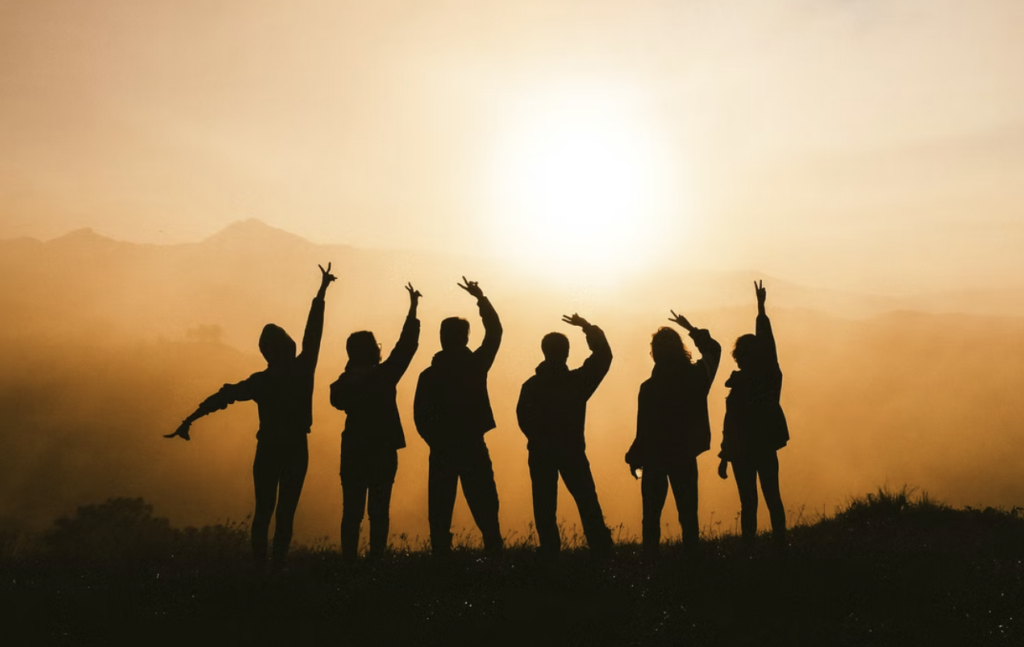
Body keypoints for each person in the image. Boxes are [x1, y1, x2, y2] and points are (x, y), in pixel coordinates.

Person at [165, 263, 336, 570]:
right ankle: (278, 566)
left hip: (269, 448)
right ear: (287, 346)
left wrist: (190, 419)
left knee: (264, 511)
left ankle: (261, 568)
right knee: (284, 512)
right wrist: (321, 293)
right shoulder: (302, 369)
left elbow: (223, 396)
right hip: (295, 447)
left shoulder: (261, 381)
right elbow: (314, 333)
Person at [329, 283, 421, 561]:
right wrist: (413, 310)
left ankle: (349, 561)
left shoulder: (343, 383)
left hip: (354, 449)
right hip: (383, 449)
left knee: (352, 512)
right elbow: (406, 347)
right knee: (379, 510)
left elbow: (337, 401)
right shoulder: (384, 376)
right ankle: (376, 559)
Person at [413, 277, 503, 555]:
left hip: (441, 448)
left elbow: (420, 416)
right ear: (465, 338)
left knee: (440, 506)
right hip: (472, 444)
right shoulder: (475, 365)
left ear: (442, 338)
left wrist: (436, 440)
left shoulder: (430, 375)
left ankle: (441, 555)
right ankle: (494, 551)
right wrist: (481, 298)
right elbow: (495, 332)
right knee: (485, 503)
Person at [516, 314, 613, 559]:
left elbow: (523, 418)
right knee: (586, 499)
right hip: (572, 451)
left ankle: (549, 549)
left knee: (544, 504)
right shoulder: (577, 382)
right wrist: (587, 328)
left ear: (544, 352)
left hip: (540, 452)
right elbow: (603, 357)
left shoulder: (531, 386)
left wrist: (538, 439)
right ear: (567, 353)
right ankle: (600, 546)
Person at [625, 311, 721, 557]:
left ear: (654, 354)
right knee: (688, 514)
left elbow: (643, 428)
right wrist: (691, 328)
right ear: (681, 349)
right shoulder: (697, 377)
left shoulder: (648, 388)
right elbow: (714, 350)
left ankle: (650, 562)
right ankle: (692, 563)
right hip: (685, 455)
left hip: (654, 459)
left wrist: (635, 457)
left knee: (651, 517)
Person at [717, 281, 789, 548]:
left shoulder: (747, 384)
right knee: (772, 496)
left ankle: (750, 548)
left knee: (749, 502)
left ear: (738, 357)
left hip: (742, 452)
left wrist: (725, 456)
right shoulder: (769, 379)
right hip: (764, 447)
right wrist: (760, 309)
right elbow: (769, 346)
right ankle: (780, 544)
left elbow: (730, 425)